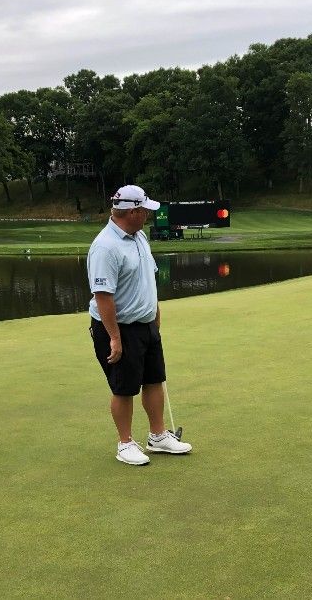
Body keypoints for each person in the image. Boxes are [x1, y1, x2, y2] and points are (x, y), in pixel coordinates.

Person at [87, 185, 192, 465]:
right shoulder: (105, 246)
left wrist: (154, 316)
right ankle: (125, 444)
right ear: (132, 212)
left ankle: (157, 436)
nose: (148, 214)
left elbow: (148, 280)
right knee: (124, 388)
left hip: (145, 324)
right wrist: (114, 338)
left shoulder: (139, 237)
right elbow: (103, 296)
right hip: (119, 328)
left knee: (154, 379)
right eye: (145, 210)